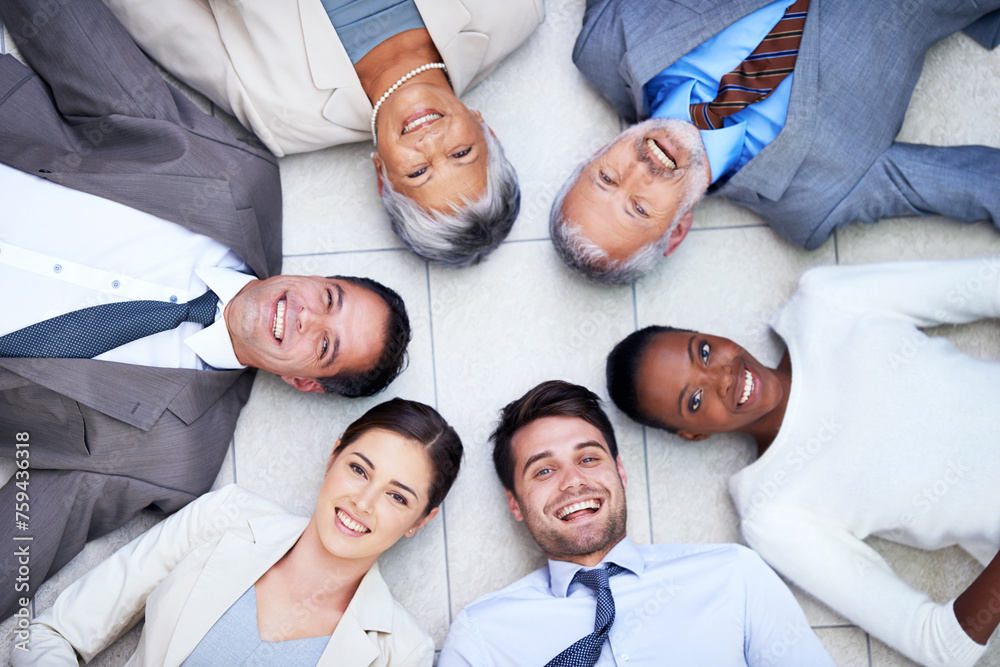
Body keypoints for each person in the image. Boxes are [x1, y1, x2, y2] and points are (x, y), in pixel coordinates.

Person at [0, 0, 411, 619]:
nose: (305, 315)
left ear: (304, 382)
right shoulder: (235, 181)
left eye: (324, 344)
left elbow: (31, 531)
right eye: (329, 298)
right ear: (317, 278)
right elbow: (91, 58)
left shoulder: (176, 455)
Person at [605, 258, 1000, 667]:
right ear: (693, 434)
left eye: (703, 351)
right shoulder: (774, 512)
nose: (722, 377)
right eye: (695, 400)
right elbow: (941, 645)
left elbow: (990, 282)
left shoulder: (827, 302)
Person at [549, 0, 1000, 283]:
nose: (638, 173)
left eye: (607, 178)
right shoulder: (815, 199)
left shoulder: (604, 42)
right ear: (678, 229)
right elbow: (975, 184)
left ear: (595, 156)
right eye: (639, 207)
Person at [10, 398, 463, 666]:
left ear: (421, 520)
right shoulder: (226, 517)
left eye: (397, 497)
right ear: (333, 457)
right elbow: (49, 634)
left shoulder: (401, 652)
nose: (363, 502)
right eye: (359, 469)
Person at [102, 0, 545, 267]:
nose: (430, 142)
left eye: (419, 173)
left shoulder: (279, 115)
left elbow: (156, 14)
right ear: (486, 129)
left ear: (382, 175)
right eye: (462, 152)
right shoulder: (514, 11)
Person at [438, 380, 834, 666]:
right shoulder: (482, 636)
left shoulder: (736, 576)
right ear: (516, 504)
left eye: (589, 458)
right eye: (543, 471)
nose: (573, 481)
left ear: (620, 471)